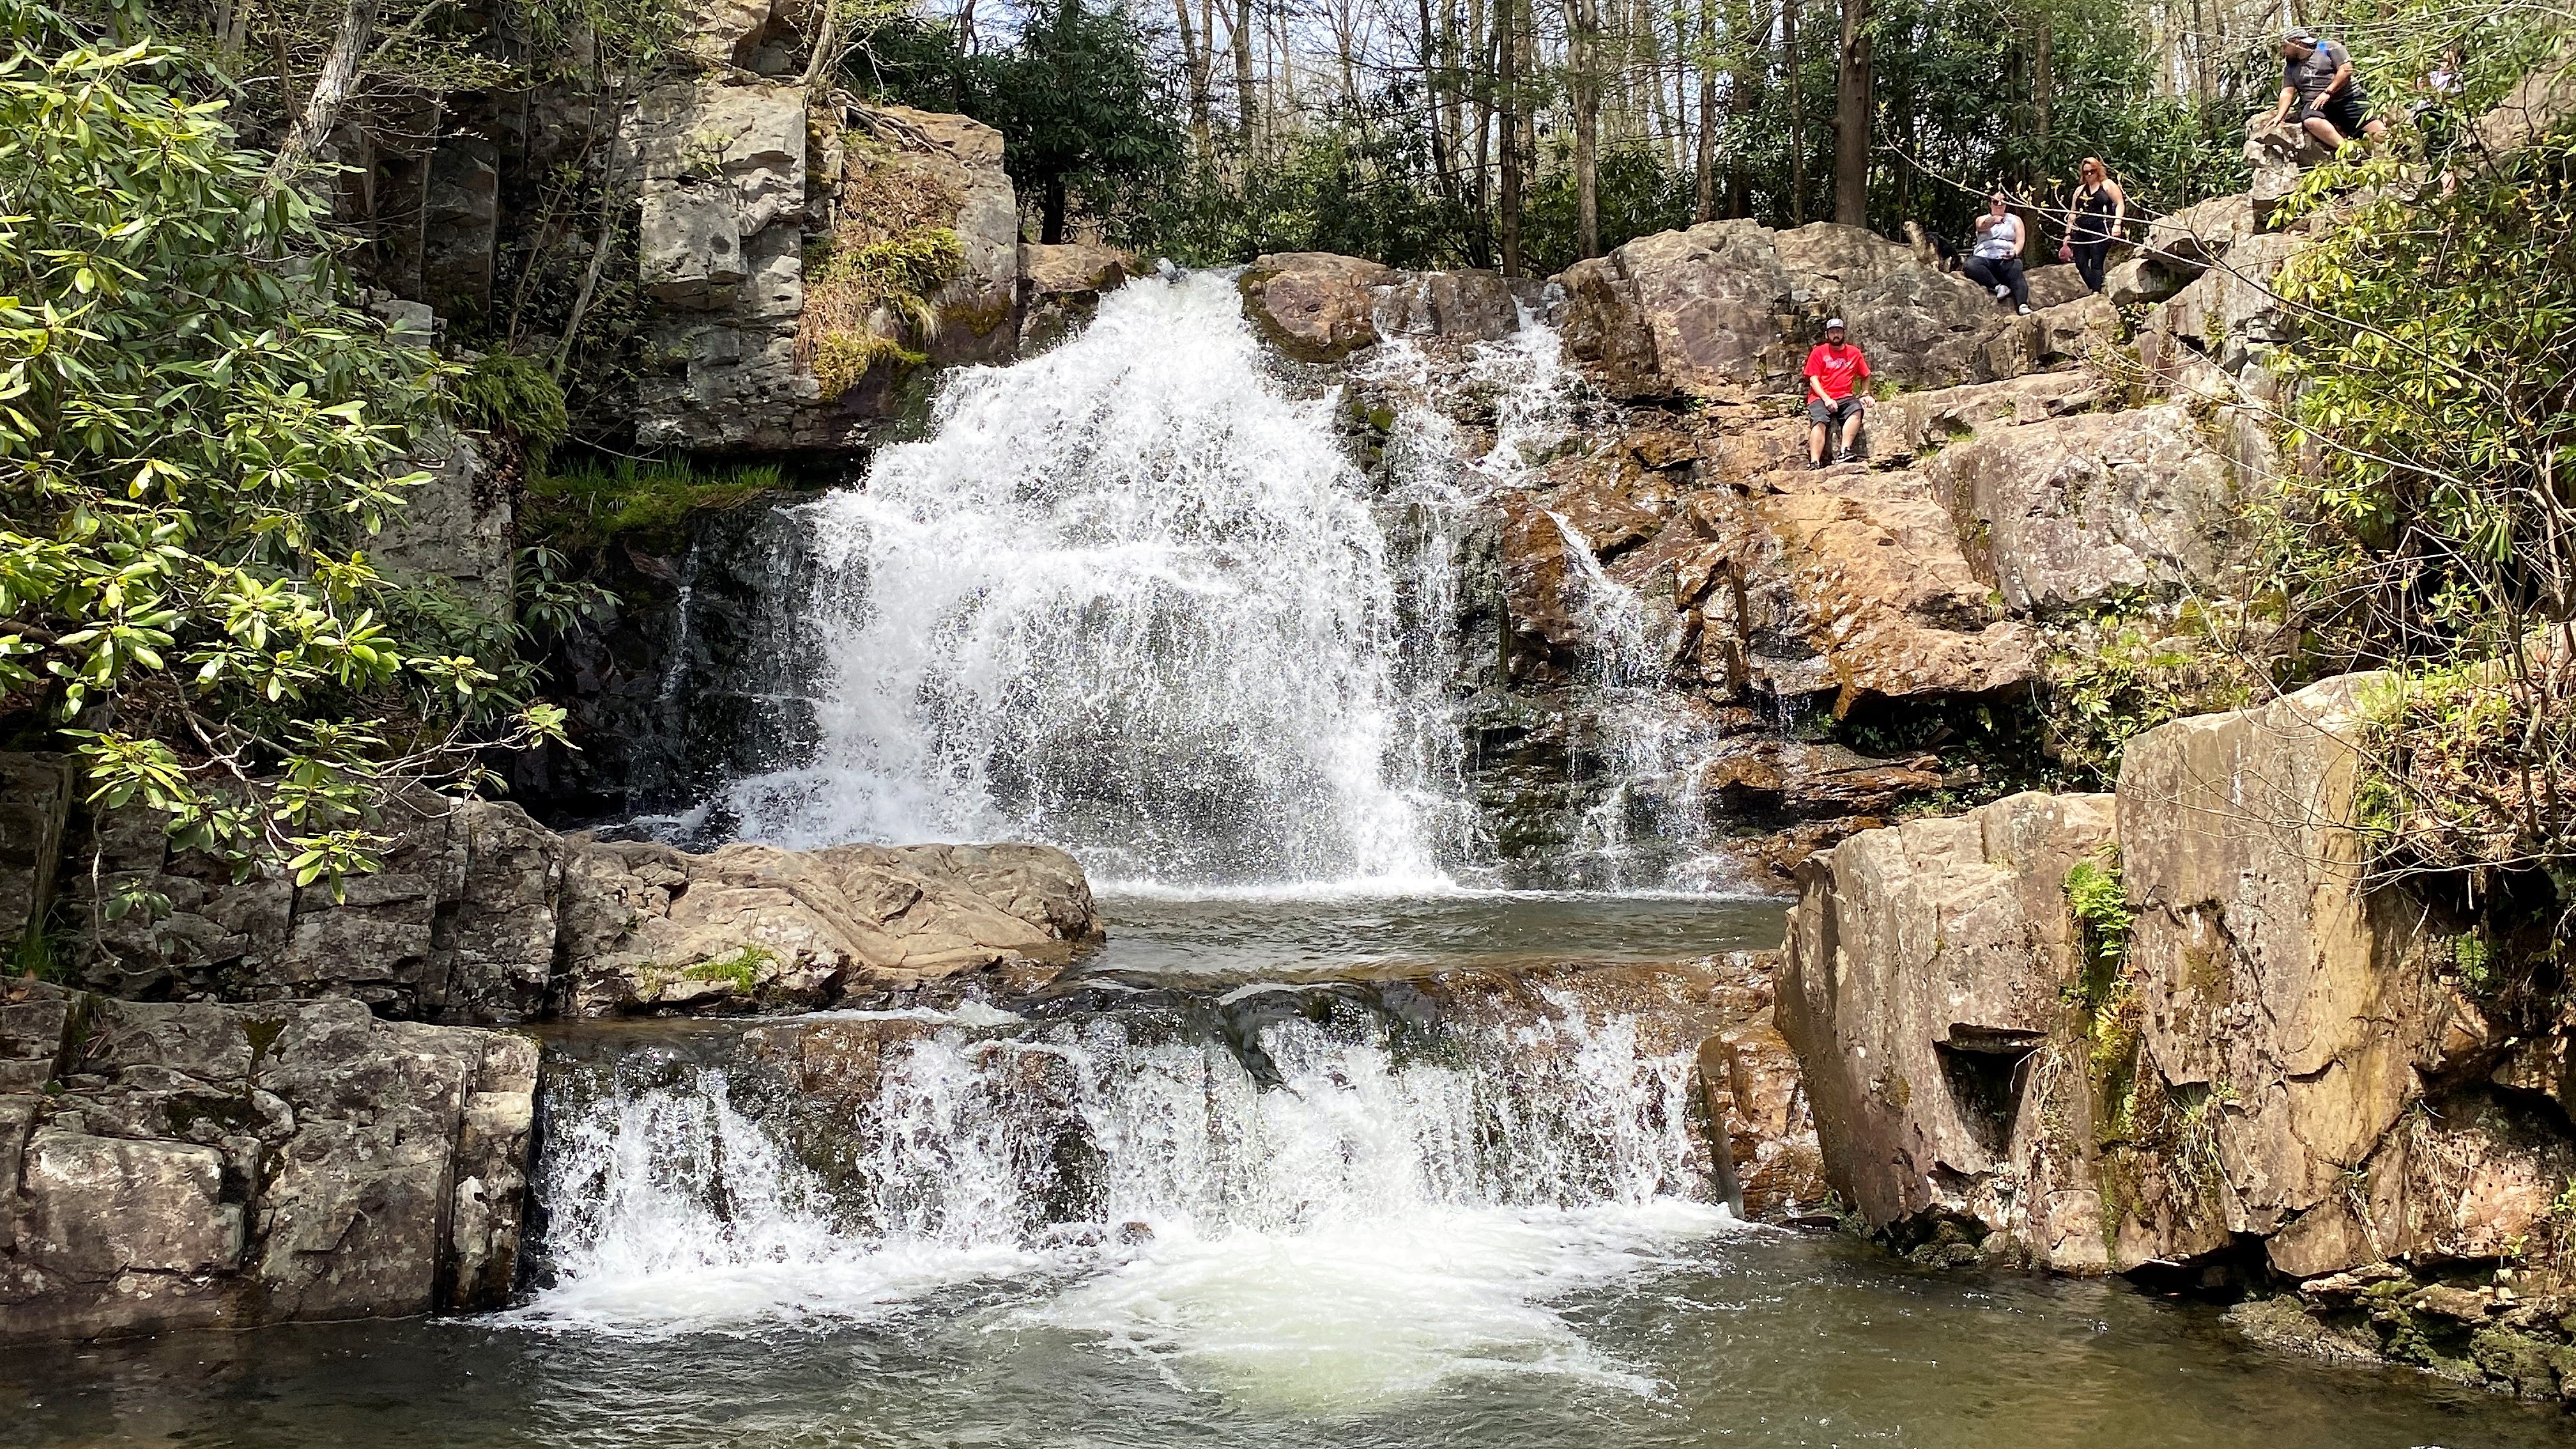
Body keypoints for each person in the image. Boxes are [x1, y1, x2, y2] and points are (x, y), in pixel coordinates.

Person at [2266, 29, 2387, 150]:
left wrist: (2328, 92)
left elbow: (2346, 70)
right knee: (2311, 121)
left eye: (2285, 46)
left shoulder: (2327, 47)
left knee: (2378, 130)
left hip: (2347, 97)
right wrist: (2279, 116)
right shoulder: (2291, 66)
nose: (2284, 50)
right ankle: (2349, 150)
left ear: (2297, 43)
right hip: (2316, 104)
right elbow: (2287, 92)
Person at [1803, 318, 1869, 468]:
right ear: (1827, 335)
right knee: (1820, 420)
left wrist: (1865, 393)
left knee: (1856, 409)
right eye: (1832, 332)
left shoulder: (1854, 353)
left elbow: (1866, 375)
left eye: (1839, 331)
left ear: (1844, 333)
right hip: (1820, 396)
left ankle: (1845, 451)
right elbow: (1813, 380)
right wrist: (1826, 399)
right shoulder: (1818, 352)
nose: (1836, 335)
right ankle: (1815, 461)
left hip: (1845, 396)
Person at [2058, 158, 2126, 295]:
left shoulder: (2107, 185)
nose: (2089, 175)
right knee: (2081, 263)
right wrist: (2068, 234)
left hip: (2102, 228)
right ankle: (2096, 285)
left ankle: (2096, 293)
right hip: (2082, 230)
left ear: (2098, 171)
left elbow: (2120, 204)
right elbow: (2073, 213)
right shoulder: (2080, 191)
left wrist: (2117, 224)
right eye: (2086, 172)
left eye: (2092, 171)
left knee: (2096, 261)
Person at [1961, 191, 2031, 315]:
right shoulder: (1982, 219)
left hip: (2005, 257)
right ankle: (1998, 286)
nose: (1999, 204)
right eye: (1995, 201)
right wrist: (1993, 220)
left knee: (2016, 268)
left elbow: (2020, 240)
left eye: (2002, 201)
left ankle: (2022, 304)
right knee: (1970, 265)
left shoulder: (2015, 220)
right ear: (1990, 204)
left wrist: (2014, 252)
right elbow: (1982, 227)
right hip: (1985, 257)